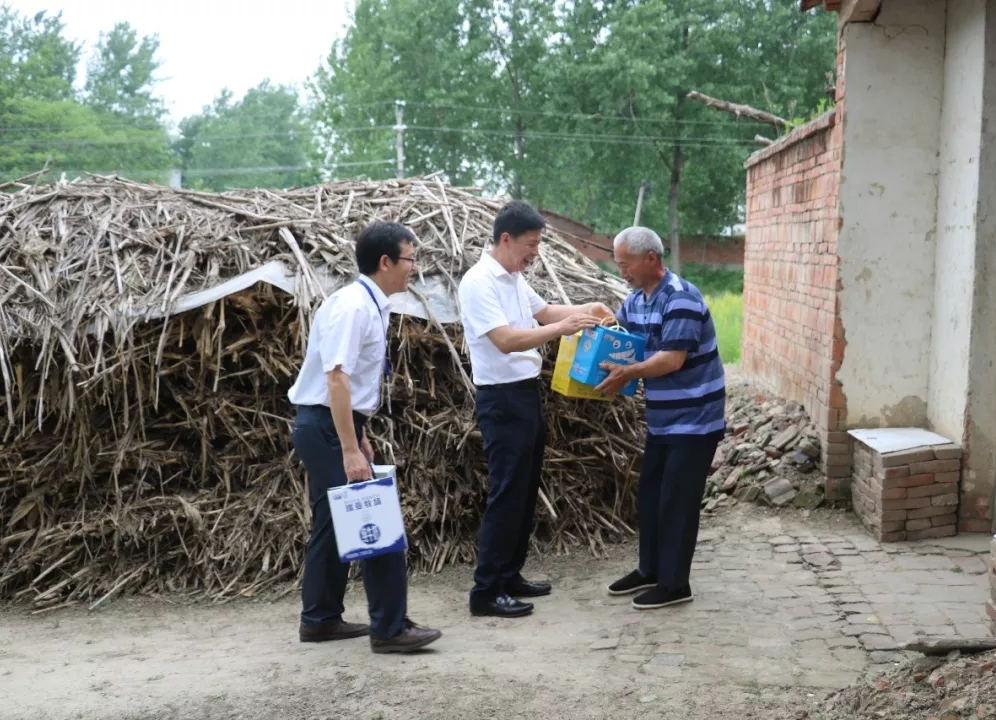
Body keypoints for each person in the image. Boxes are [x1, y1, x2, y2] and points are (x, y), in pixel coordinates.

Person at [287, 221, 441, 652]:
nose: (414, 268)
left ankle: (319, 619)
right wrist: (350, 448)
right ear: (386, 261)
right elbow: (337, 378)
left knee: (332, 523)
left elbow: (348, 384)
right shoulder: (354, 306)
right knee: (374, 515)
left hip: (332, 424)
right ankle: (390, 629)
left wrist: (359, 432)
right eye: (410, 259)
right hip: (324, 425)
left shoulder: (372, 305)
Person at [458, 201, 611, 618]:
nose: (535, 252)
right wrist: (563, 329)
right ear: (505, 239)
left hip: (524, 393)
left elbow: (543, 312)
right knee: (507, 492)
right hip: (501, 398)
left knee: (524, 489)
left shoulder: (512, 278)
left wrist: (587, 309)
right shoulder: (479, 282)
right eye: (531, 244)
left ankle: (509, 574)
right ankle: (486, 590)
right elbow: (505, 340)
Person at [595, 226, 726, 610]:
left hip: (695, 417)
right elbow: (622, 339)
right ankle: (649, 569)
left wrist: (627, 373)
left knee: (677, 502)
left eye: (625, 264)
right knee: (650, 496)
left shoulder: (681, 298)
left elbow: (671, 358)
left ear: (651, 259)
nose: (622, 271)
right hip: (662, 419)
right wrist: (597, 338)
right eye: (618, 264)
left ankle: (675, 583)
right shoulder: (636, 299)